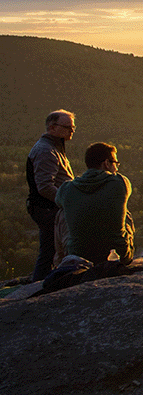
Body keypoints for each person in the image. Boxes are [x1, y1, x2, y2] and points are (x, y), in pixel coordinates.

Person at [56, 142, 135, 266]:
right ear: (106, 164)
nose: (117, 168)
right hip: (117, 256)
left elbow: (57, 201)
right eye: (115, 163)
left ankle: (60, 262)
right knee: (125, 211)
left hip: (79, 257)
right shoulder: (121, 183)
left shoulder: (67, 188)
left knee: (61, 213)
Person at [26, 110, 76, 280]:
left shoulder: (54, 147)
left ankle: (41, 285)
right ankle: (39, 289)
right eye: (68, 127)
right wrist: (66, 202)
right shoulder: (46, 151)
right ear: (52, 128)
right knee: (49, 251)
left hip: (49, 208)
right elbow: (45, 187)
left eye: (73, 126)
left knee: (51, 250)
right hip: (48, 209)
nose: (72, 130)